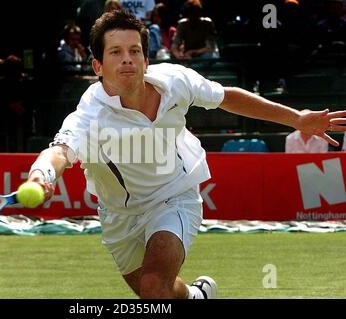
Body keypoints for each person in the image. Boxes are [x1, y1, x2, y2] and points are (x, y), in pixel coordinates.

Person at [24, 10, 346, 299]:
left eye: (135, 51)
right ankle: (196, 296)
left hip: (174, 194)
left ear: (146, 61)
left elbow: (227, 97)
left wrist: (298, 119)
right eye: (116, 52)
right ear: (97, 65)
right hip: (118, 216)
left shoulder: (175, 82)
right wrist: (43, 175)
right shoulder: (89, 116)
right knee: (163, 293)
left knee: (154, 287)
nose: (128, 59)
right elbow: (59, 152)